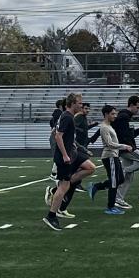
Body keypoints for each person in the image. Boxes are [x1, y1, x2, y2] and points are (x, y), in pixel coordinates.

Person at [44, 96, 94, 230]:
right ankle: (51, 215)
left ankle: (58, 189)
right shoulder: (67, 117)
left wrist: (76, 148)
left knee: (90, 167)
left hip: (73, 154)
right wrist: (65, 155)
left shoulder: (68, 116)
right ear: (72, 104)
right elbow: (57, 135)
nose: (81, 105)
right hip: (65, 157)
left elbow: (59, 133)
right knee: (64, 187)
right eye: (79, 103)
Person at [95, 103, 129, 215]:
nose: (115, 116)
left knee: (120, 179)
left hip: (114, 156)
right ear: (106, 114)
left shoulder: (109, 126)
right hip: (109, 156)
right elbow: (109, 144)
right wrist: (124, 146)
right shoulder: (104, 127)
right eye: (113, 114)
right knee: (114, 182)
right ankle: (110, 207)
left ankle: (96, 186)